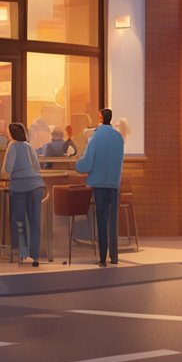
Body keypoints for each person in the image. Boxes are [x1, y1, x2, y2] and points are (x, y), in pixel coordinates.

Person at [76, 107, 125, 267]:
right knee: (113, 221)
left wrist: (78, 164)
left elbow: (87, 162)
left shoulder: (95, 138)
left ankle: (103, 258)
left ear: (100, 118)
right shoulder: (118, 137)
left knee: (102, 220)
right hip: (114, 183)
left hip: (99, 184)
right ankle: (115, 256)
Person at [2, 121, 44, 266]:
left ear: (11, 133)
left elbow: (7, 168)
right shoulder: (29, 146)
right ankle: (35, 256)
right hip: (36, 186)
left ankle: (21, 253)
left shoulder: (12, 146)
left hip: (19, 187)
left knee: (18, 221)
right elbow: (37, 166)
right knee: (35, 221)